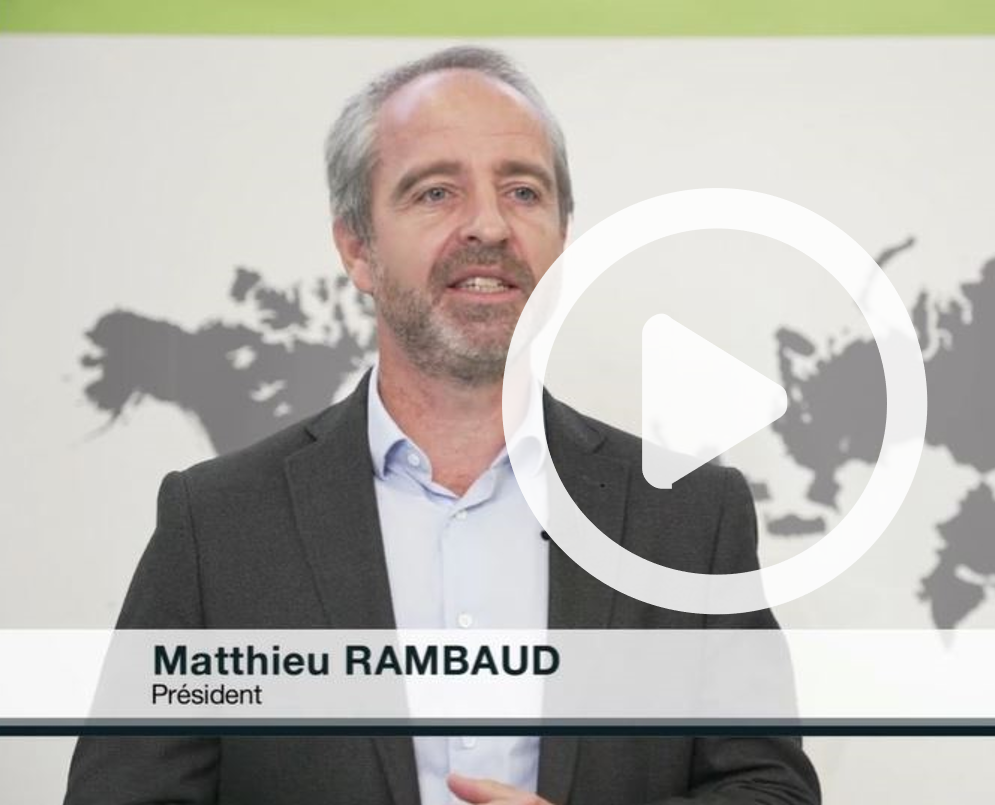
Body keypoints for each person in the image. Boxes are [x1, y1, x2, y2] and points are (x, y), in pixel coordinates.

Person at [64, 46, 820, 805]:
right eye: (435, 192)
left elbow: (769, 789)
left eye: (522, 191)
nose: (488, 224)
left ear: (563, 237)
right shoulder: (217, 525)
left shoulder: (688, 516)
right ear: (357, 248)